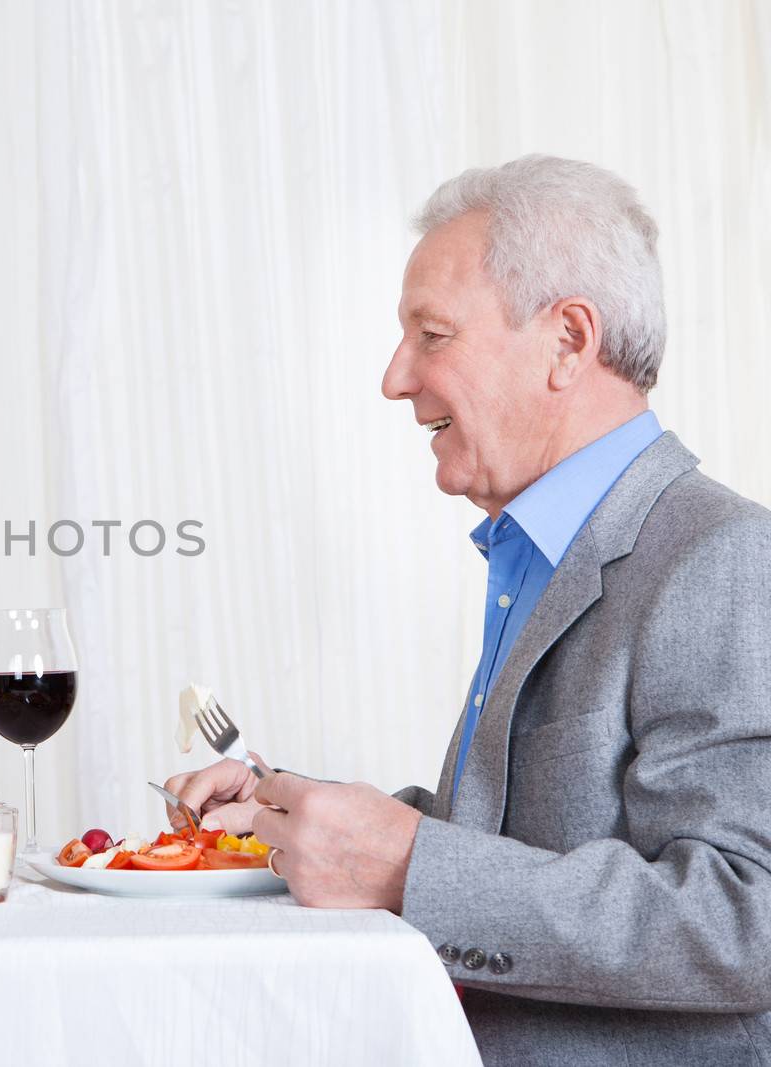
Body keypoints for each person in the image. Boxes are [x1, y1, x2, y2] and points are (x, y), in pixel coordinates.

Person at [170, 156, 771, 1064]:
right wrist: (290, 808)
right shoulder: (535, 549)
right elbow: (517, 845)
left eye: (432, 334)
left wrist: (410, 863)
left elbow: (745, 917)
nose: (394, 377)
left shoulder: (720, 555)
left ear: (569, 341)